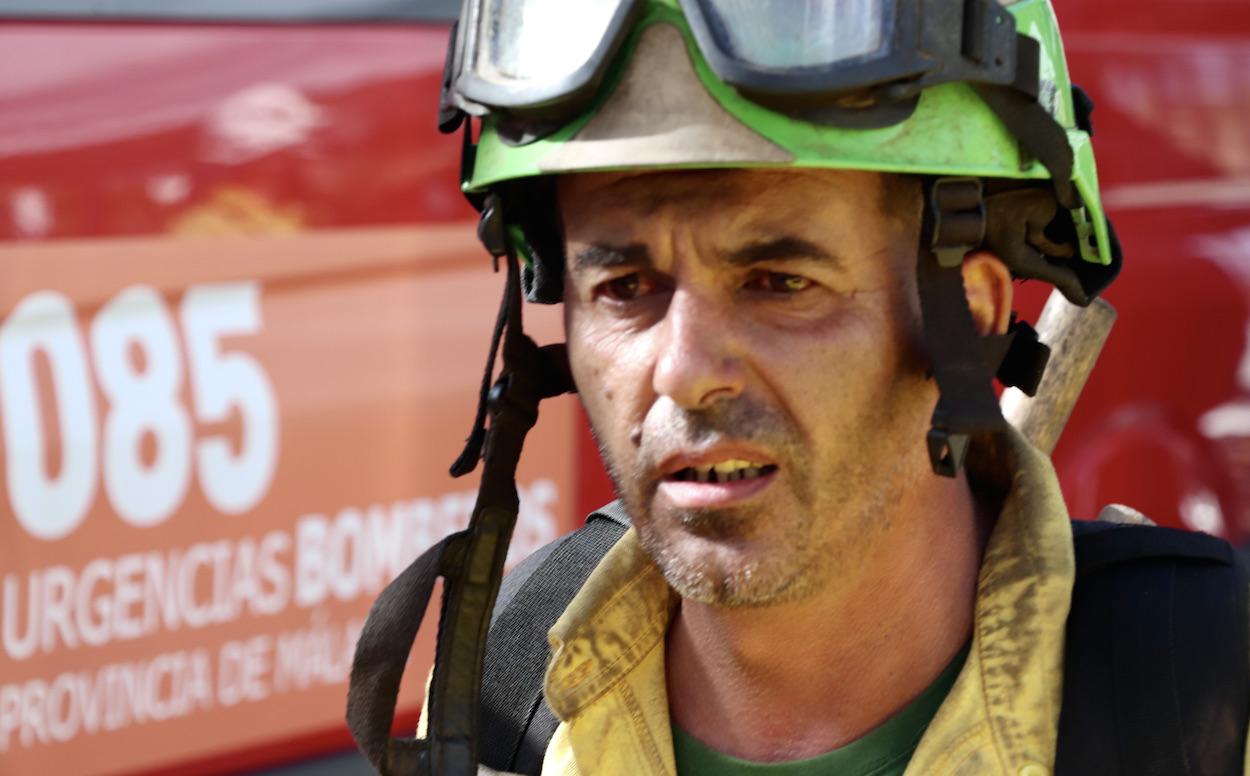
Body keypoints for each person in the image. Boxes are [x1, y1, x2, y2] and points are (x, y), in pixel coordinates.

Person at [346, 1, 1250, 774]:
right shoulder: (510, 683)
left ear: (969, 318)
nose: (684, 370)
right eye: (625, 288)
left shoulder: (1204, 693)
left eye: (780, 283)